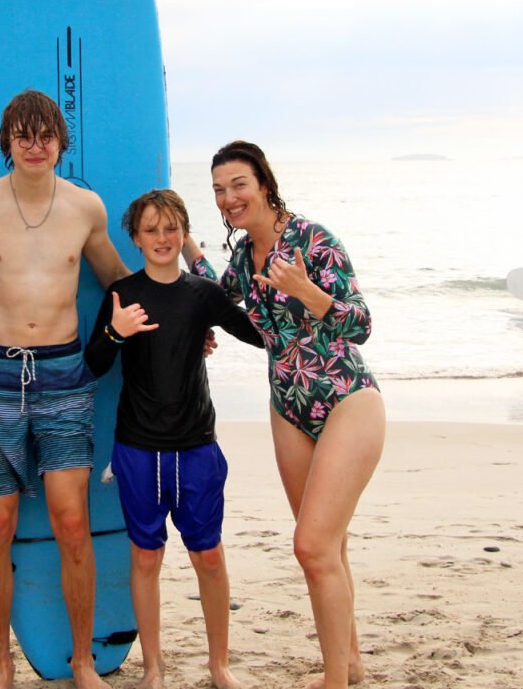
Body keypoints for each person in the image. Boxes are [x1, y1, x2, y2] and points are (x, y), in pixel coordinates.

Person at [0, 89, 129, 689]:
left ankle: (81, 661)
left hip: (64, 376)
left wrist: (183, 318)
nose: (34, 145)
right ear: (7, 142)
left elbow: (121, 283)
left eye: (45, 134)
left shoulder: (85, 208)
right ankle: (1, 665)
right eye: (22, 134)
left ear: (60, 141)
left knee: (71, 521)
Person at [183, 140, 383, 689]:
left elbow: (361, 324)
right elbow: (219, 295)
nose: (228, 198)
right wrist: (184, 244)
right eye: (220, 191)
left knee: (311, 546)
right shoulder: (246, 258)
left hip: (346, 398)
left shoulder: (313, 241)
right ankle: (351, 663)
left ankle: (334, 681)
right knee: (329, 544)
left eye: (238, 185)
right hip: (288, 406)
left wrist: (307, 291)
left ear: (264, 184)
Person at [84, 189, 262, 689]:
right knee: (146, 556)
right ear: (135, 237)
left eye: (171, 228)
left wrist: (298, 299)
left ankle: (219, 665)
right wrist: (117, 332)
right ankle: (154, 667)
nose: (161, 238)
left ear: (183, 233)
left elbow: (259, 333)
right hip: (138, 447)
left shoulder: (202, 294)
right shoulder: (122, 292)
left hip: (196, 445)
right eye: (151, 229)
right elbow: (94, 363)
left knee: (208, 554)